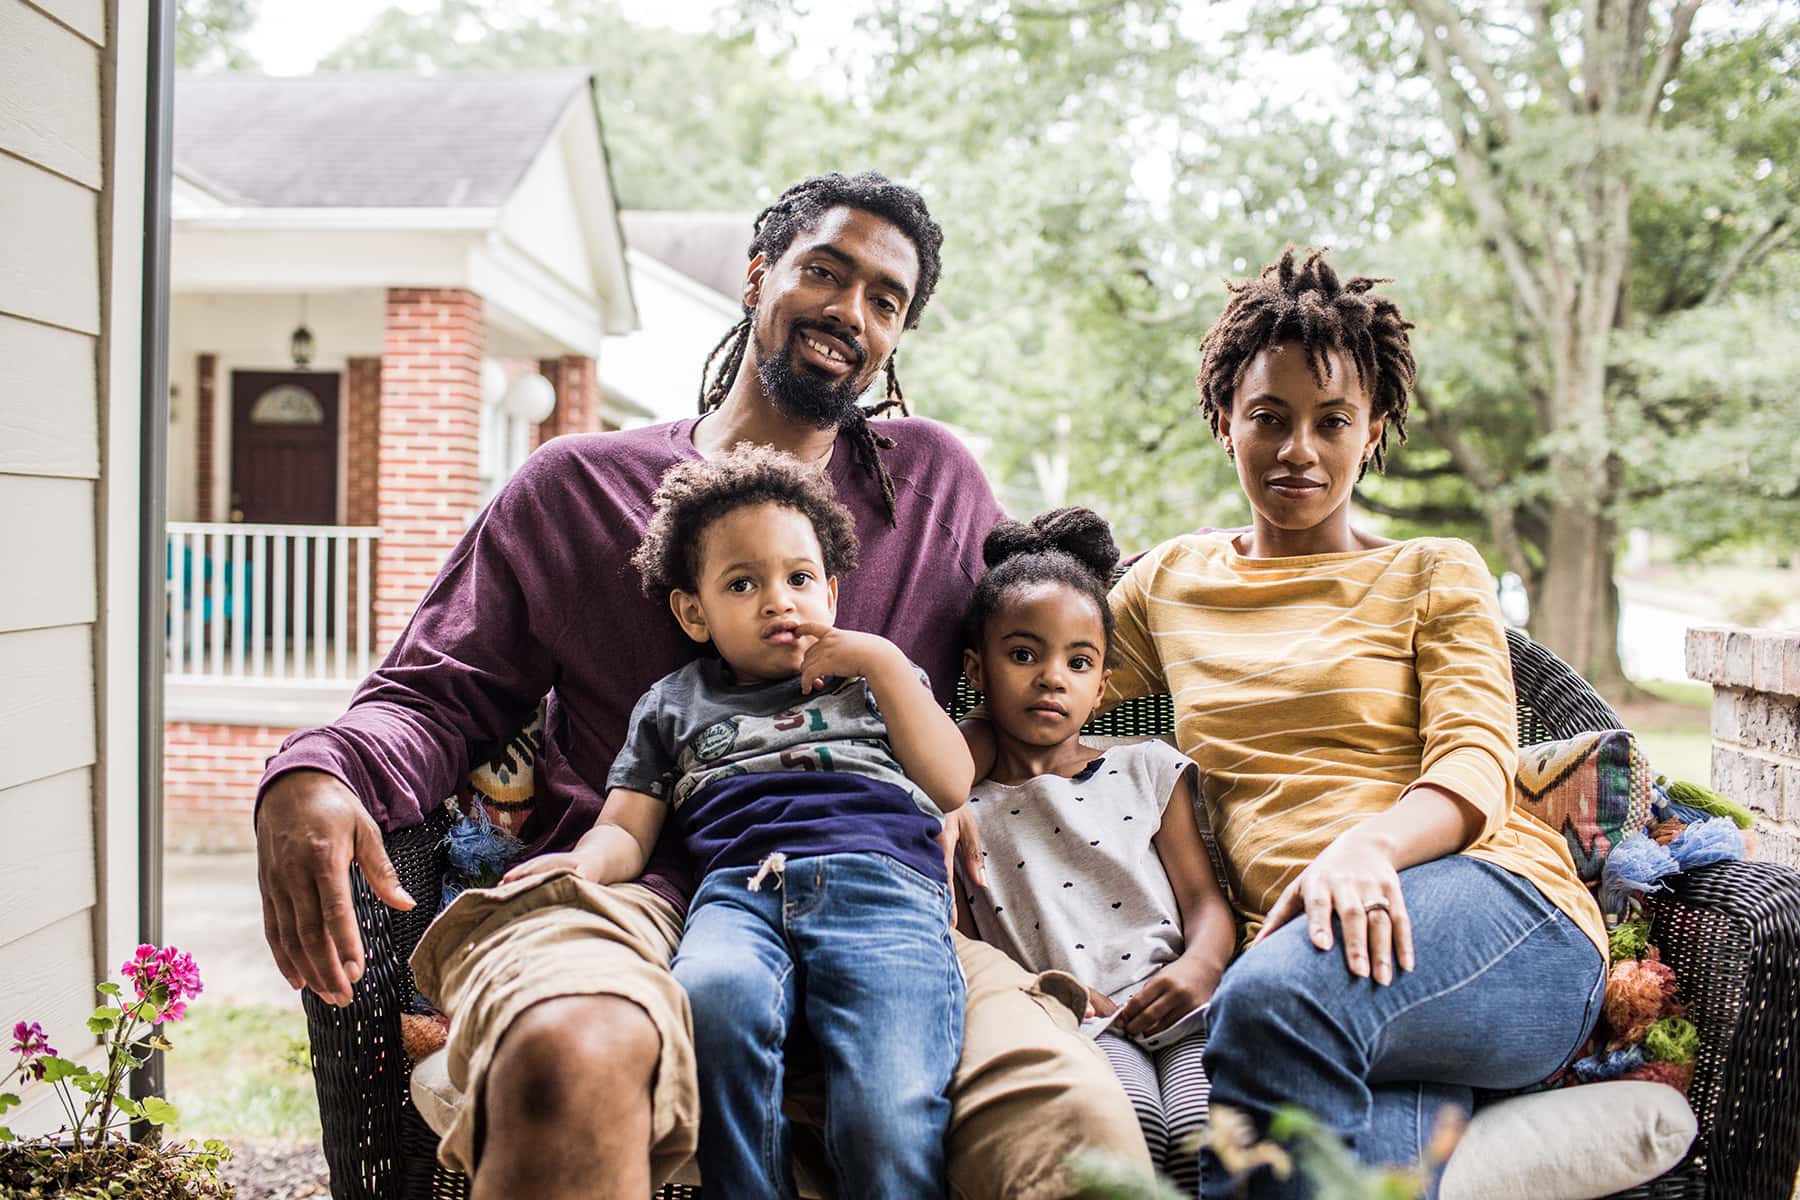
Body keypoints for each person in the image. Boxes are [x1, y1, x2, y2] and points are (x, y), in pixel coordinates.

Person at [252, 170, 1151, 1199]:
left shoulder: (933, 483)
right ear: (759, 275)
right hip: (631, 897)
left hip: (884, 900)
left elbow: (1049, 641)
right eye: (826, 270)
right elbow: (433, 694)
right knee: (566, 1052)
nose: (849, 312)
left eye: (886, 300)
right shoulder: (575, 489)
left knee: (1078, 1129)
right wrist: (314, 775)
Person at [1102, 248, 1609, 1199]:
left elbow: (1476, 758)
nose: (1300, 449)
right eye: (1270, 419)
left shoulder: (1433, 571)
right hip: (1343, 965)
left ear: (1371, 432)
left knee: (1271, 1004)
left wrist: (1367, 850)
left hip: (1503, 915)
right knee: (1352, 1166)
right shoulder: (1168, 583)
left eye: (1332, 422)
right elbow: (1039, 689)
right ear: (1224, 424)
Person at [503, 445, 973, 1198]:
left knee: (888, 1107)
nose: (777, 602)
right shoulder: (671, 704)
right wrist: (585, 864)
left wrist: (884, 662)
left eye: (798, 578)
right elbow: (627, 827)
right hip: (739, 895)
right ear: (694, 612)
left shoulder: (878, 678)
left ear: (833, 591)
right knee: (713, 1005)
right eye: (742, 584)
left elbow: (951, 784)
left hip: (886, 891)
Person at [954, 507, 1238, 1194]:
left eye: (1077, 662)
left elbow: (1207, 903)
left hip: (1182, 1003)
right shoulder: (964, 809)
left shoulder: (1145, 769)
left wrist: (1200, 969)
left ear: (1101, 685)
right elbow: (962, 941)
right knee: (1130, 1130)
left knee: (1207, 1134)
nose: (1053, 677)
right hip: (1074, 1022)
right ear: (977, 669)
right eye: (1024, 655)